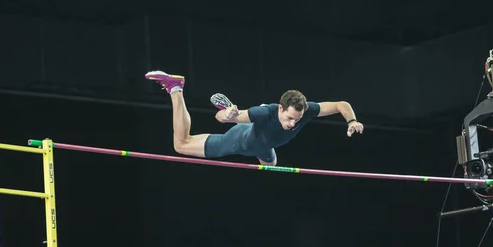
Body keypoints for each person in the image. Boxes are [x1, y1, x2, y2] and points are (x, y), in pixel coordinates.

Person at [145, 70, 364, 166]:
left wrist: (351, 121)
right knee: (181, 144)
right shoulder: (265, 113)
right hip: (239, 140)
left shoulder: (305, 111)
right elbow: (221, 118)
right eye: (289, 118)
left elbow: (340, 105)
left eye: (296, 120)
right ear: (280, 108)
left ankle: (265, 152)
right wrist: (228, 114)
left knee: (272, 163)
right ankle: (175, 89)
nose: (292, 124)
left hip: (263, 147)